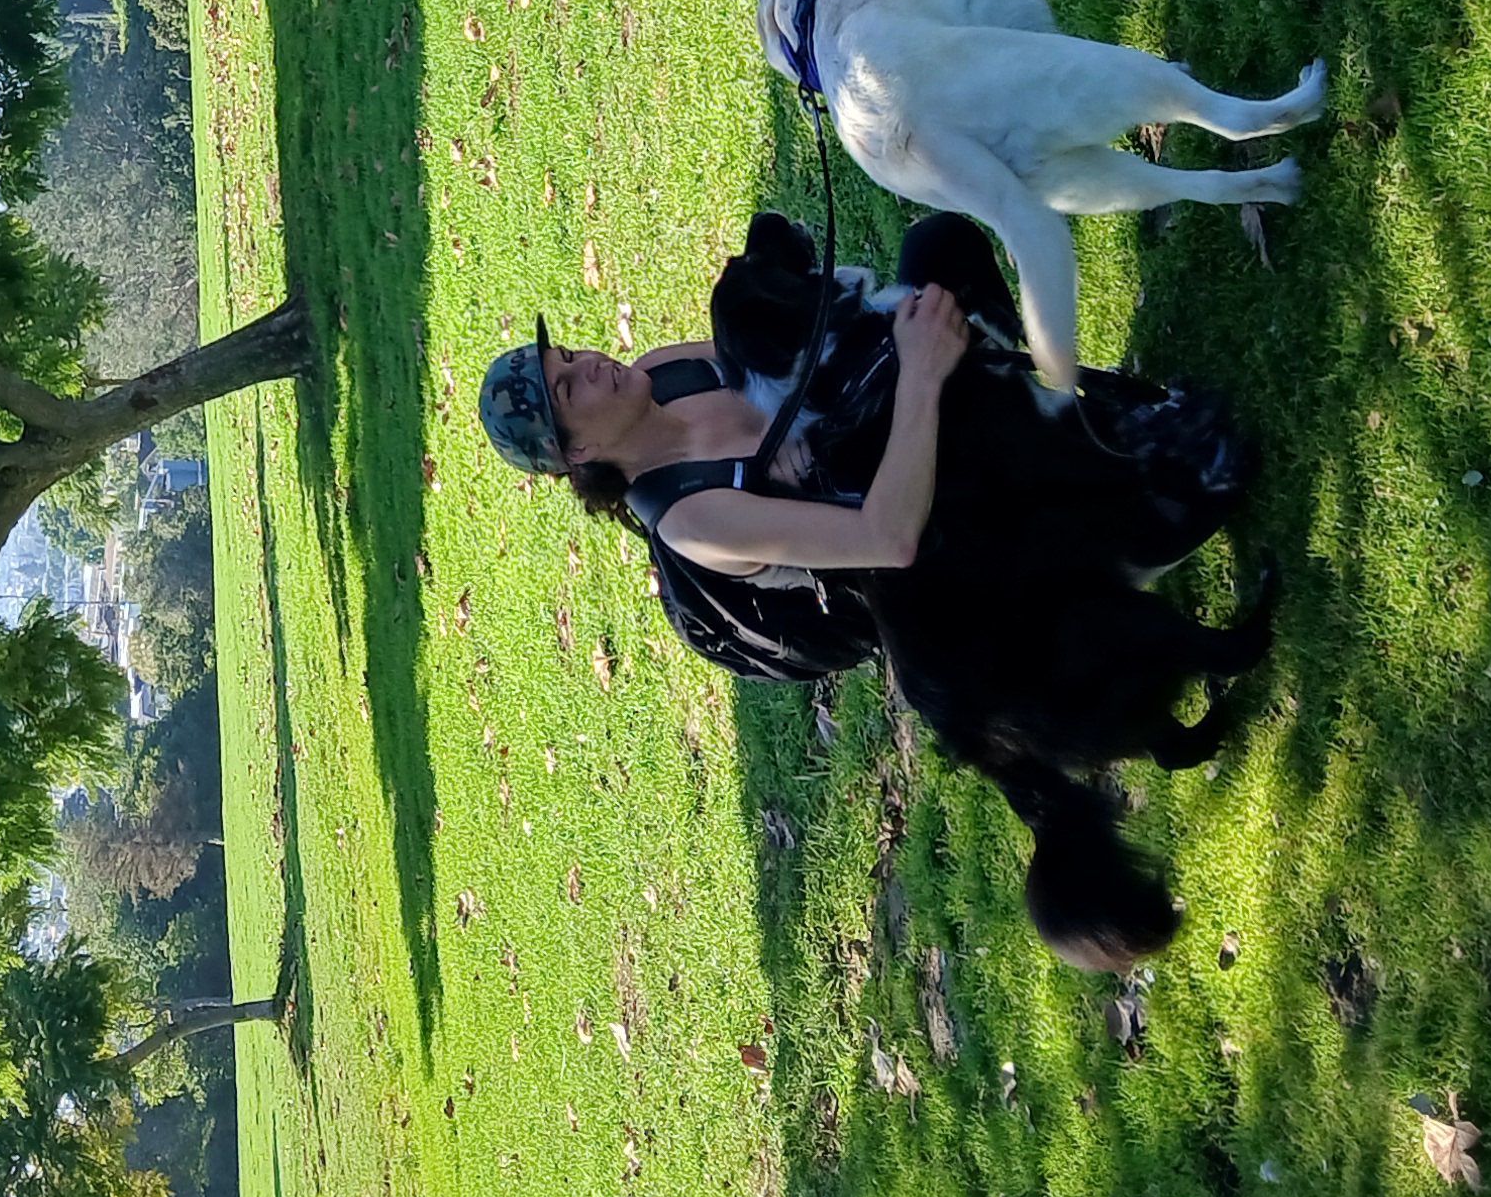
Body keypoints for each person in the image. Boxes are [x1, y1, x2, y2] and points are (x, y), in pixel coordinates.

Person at [476, 213, 1267, 969]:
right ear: (578, 454)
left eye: (571, 357)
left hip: (936, 465)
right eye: (571, 391)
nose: (590, 366)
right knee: (1194, 473)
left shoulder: (662, 373)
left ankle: (1077, 428)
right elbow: (889, 540)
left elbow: (786, 370)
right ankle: (1124, 523)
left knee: (940, 250)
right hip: (949, 565)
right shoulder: (693, 518)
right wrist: (920, 372)